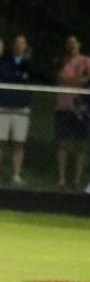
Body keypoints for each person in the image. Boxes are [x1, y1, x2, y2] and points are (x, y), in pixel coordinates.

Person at [0, 34, 35, 186]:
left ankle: (16, 175)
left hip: (21, 107)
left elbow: (30, 78)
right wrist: (19, 75)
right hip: (4, 105)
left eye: (23, 43)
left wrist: (21, 73)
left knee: (19, 143)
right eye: (17, 43)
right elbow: (5, 75)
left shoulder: (29, 64)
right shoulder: (4, 61)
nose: (19, 46)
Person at [52, 35, 90, 189]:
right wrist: (78, 79)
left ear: (79, 45)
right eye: (69, 43)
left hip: (81, 108)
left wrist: (73, 80)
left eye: (74, 43)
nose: (72, 45)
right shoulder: (61, 61)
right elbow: (61, 78)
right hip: (63, 106)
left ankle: (76, 179)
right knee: (62, 143)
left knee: (80, 144)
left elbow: (86, 80)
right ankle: (61, 179)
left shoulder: (86, 61)